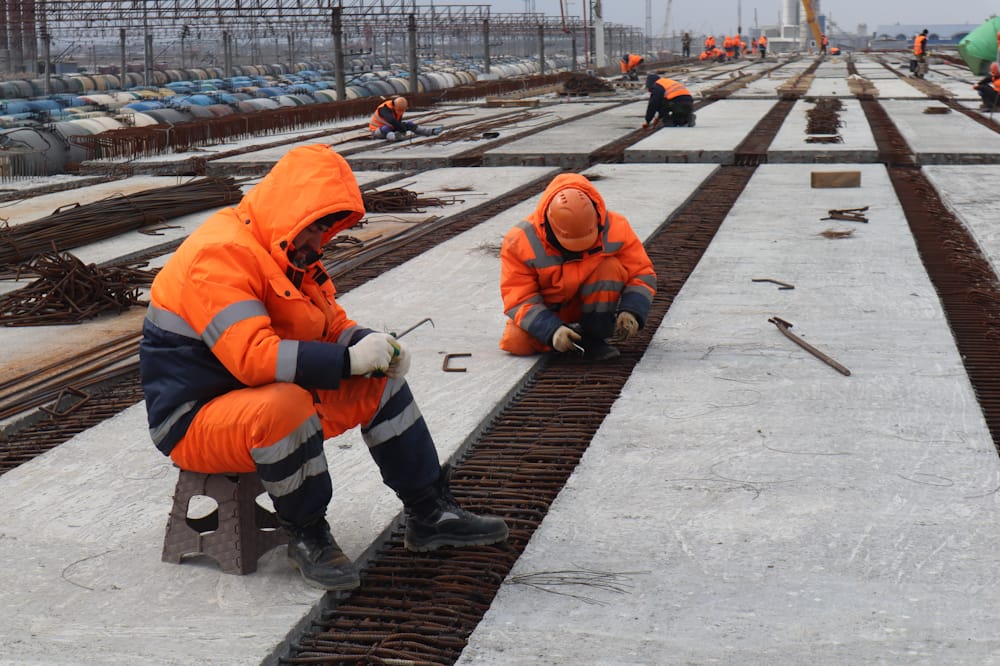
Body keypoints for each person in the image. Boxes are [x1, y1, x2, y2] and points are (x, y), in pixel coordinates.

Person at [139, 144, 508, 591]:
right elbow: (254, 357)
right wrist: (346, 360)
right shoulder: (219, 255)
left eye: (324, 230)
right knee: (286, 405)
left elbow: (329, 325)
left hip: (251, 397)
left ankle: (430, 511)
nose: (319, 242)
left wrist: (370, 345)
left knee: (379, 383)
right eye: (315, 227)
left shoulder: (286, 256)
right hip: (194, 418)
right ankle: (308, 533)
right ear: (291, 209)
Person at [499, 173, 656, 361]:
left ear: (596, 219)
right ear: (551, 225)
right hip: (550, 308)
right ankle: (569, 341)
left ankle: (594, 336)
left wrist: (632, 310)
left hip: (594, 303)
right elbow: (519, 297)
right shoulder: (520, 240)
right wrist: (551, 329)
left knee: (609, 268)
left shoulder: (617, 227)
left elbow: (641, 273)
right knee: (516, 341)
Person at [368, 96, 442, 142]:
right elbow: (391, 120)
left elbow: (397, 122)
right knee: (386, 128)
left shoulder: (398, 107)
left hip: (392, 128)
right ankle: (394, 137)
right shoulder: (384, 108)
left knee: (409, 124)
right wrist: (401, 129)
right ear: (394, 105)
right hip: (377, 131)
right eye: (399, 110)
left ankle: (430, 132)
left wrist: (403, 127)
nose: (400, 113)